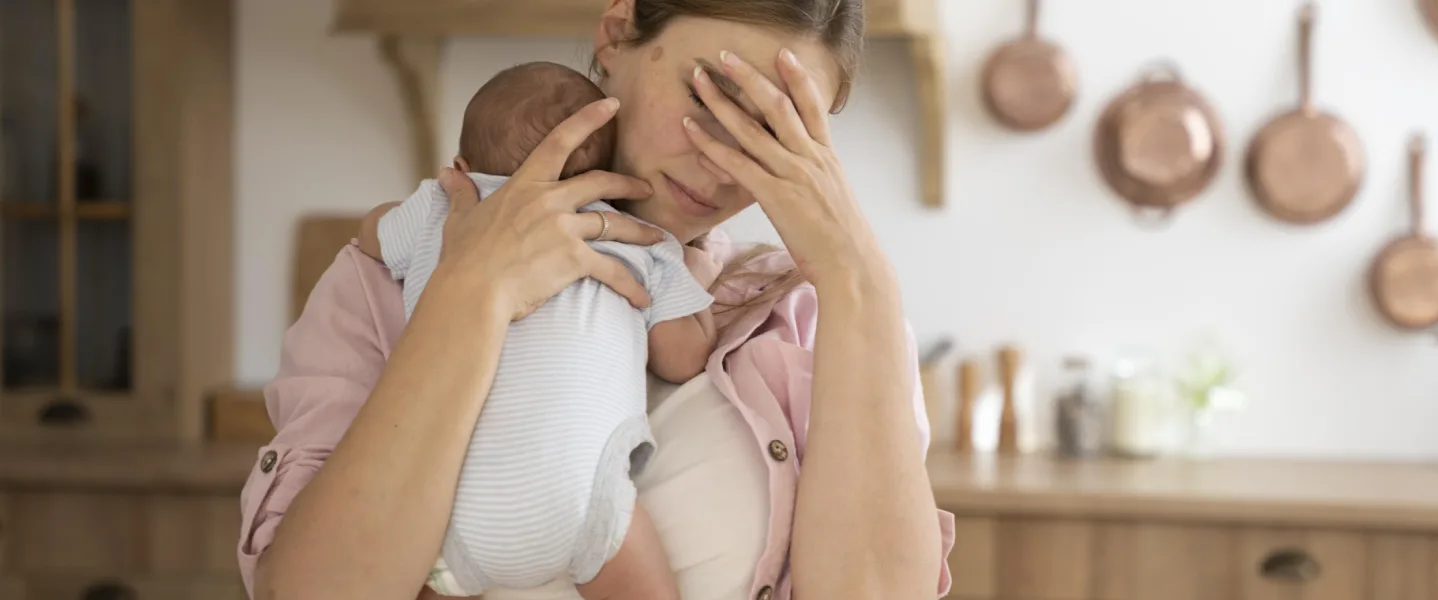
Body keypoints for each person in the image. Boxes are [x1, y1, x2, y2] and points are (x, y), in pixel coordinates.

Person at [236, 1, 956, 598]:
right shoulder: (386, 284)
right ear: (616, 35)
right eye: (712, 96)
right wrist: (470, 296)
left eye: (775, 132)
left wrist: (858, 272)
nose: (720, 159)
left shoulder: (813, 323)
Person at [355, 60, 720, 598]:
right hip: (584, 500)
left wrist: (437, 196)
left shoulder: (441, 209)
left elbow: (368, 236)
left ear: (463, 164)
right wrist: (696, 280)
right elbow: (682, 359)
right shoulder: (637, 238)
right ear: (606, 172)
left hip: (448, 510)